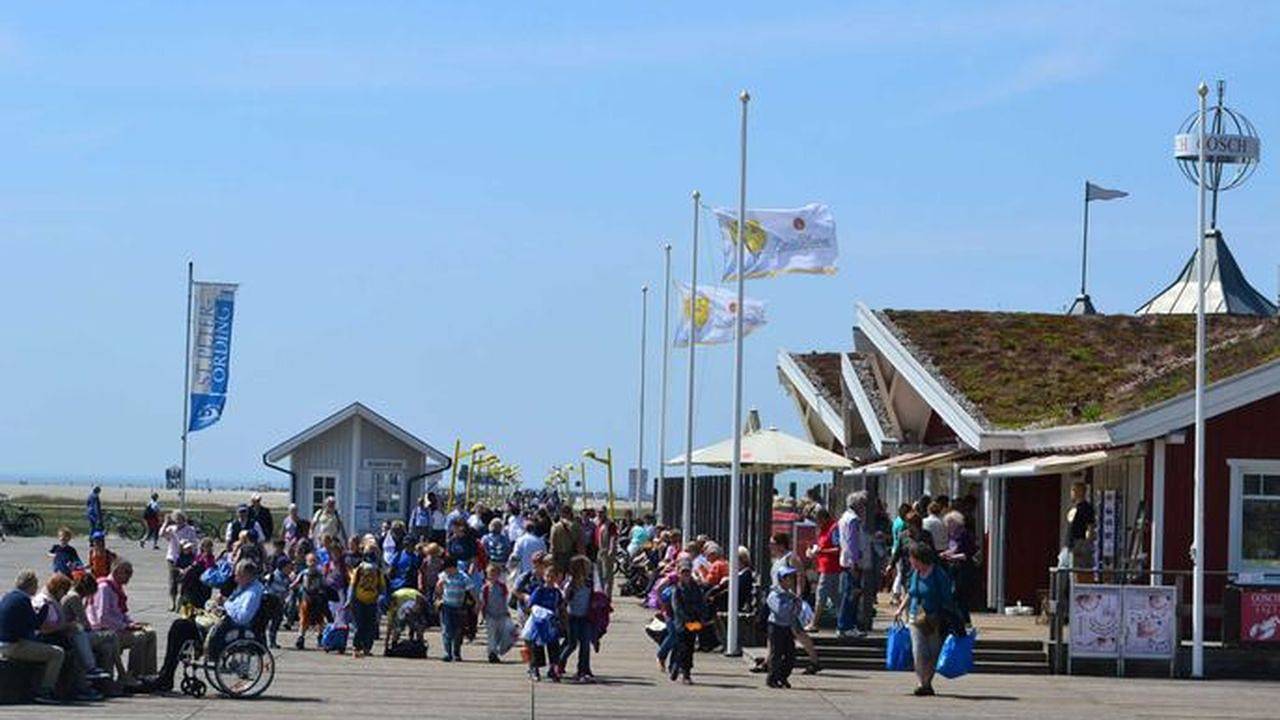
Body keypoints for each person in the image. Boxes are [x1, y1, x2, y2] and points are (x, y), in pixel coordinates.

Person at [153, 560, 265, 693]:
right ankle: (166, 673)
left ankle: (166, 675)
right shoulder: (247, 588)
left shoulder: (252, 593)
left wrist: (226, 604)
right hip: (221, 624)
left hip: (227, 630)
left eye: (237, 575)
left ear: (246, 575)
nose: (235, 578)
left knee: (179, 628)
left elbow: (242, 617)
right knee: (180, 625)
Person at [33, 573, 107, 700]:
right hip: (47, 638)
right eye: (64, 591)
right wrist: (67, 626)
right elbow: (43, 627)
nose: (65, 594)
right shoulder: (46, 602)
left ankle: (89, 681)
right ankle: (84, 681)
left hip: (55, 635)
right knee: (77, 643)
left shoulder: (51, 599)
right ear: (59, 589)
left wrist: (66, 626)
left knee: (81, 643)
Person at [895, 542, 955, 697]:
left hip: (935, 619)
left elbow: (947, 597)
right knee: (918, 650)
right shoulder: (915, 573)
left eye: (912, 558)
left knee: (933, 652)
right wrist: (900, 609)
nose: (910, 561)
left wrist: (949, 615)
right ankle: (922, 682)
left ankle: (927, 683)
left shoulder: (938, 574)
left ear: (920, 558)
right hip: (916, 617)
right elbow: (911, 593)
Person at [86, 561, 157, 684]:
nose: (130, 576)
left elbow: (121, 613)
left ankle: (148, 674)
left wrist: (131, 623)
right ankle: (133, 675)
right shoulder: (104, 588)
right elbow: (102, 618)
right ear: (116, 572)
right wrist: (125, 626)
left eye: (131, 573)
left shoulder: (116, 587)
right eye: (127, 573)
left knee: (150, 633)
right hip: (104, 630)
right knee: (139, 638)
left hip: (116, 627)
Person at [0, 569, 65, 704]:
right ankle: (45, 691)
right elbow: (35, 625)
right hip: (14, 646)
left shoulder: (8, 597)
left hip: (3, 644)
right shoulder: (24, 599)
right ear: (31, 585)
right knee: (57, 653)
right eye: (36, 585)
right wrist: (45, 608)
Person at [61, 572, 121, 685]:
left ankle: (107, 682)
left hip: (74, 633)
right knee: (112, 636)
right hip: (73, 636)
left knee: (107, 648)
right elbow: (85, 623)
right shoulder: (74, 597)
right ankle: (121, 672)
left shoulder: (71, 594)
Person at [558, 555, 595, 682]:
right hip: (572, 617)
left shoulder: (589, 583)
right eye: (587, 567)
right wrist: (563, 617)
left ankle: (583, 670)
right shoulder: (571, 585)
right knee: (572, 644)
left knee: (585, 644)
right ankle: (558, 664)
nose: (589, 570)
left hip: (585, 617)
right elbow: (564, 602)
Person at [836, 491, 867, 638]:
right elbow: (852, 542)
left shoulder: (844, 518)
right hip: (853, 563)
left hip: (845, 560)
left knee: (849, 593)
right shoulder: (853, 520)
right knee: (851, 595)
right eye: (863, 504)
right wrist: (854, 563)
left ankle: (848, 625)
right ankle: (845, 626)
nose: (864, 508)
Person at [805, 508, 841, 633]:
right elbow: (821, 544)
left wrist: (821, 551)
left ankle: (814, 623)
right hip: (824, 566)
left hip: (831, 568)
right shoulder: (822, 529)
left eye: (818, 520)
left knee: (821, 595)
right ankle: (844, 622)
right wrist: (812, 550)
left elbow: (838, 549)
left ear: (824, 518)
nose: (817, 523)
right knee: (835, 597)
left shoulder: (834, 528)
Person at [667, 559, 702, 685]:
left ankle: (686, 673)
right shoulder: (677, 589)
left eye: (688, 572)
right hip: (682, 623)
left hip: (694, 621)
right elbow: (676, 608)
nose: (686, 575)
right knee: (682, 647)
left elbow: (701, 602)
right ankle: (677, 665)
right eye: (683, 572)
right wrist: (685, 619)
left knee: (690, 648)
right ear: (679, 574)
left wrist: (701, 616)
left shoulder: (696, 587)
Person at [766, 566, 802, 689]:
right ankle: (773, 678)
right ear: (781, 580)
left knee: (790, 654)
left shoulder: (790, 595)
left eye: (791, 578)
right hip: (776, 626)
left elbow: (797, 611)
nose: (790, 581)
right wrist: (792, 604)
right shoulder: (774, 595)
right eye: (788, 578)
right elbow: (780, 611)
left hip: (787, 626)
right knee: (776, 653)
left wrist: (796, 604)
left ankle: (783, 676)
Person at [347, 544, 384, 658]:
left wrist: (381, 600)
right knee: (360, 625)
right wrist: (349, 600)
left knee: (369, 626)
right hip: (359, 600)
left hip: (371, 600)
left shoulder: (377, 570)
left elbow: (381, 586)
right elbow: (352, 585)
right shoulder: (360, 569)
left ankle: (366, 648)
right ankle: (357, 647)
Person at [159, 512, 200, 612]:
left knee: (185, 580)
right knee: (173, 580)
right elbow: (161, 534)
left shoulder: (190, 530)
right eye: (176, 519)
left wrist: (194, 555)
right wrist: (165, 522)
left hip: (186, 558)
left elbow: (195, 544)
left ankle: (181, 602)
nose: (178, 521)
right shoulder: (172, 529)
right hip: (173, 557)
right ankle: (172, 602)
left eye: (180, 519)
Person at [291, 553, 329, 650]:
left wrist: (323, 592)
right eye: (310, 561)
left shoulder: (320, 574)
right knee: (304, 618)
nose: (312, 563)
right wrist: (292, 586)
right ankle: (301, 637)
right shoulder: (304, 573)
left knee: (320, 619)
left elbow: (324, 585)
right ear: (307, 562)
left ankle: (320, 637)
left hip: (317, 598)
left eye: (314, 561)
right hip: (306, 598)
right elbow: (295, 583)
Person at [436, 557, 471, 662]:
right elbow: (438, 590)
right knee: (447, 630)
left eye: (447, 568)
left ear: (452, 567)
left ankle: (456, 653)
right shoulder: (443, 575)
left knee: (458, 631)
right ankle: (447, 653)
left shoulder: (463, 577)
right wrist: (439, 590)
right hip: (446, 605)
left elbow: (471, 589)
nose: (445, 571)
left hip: (459, 607)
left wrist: (477, 602)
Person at [479, 564, 513, 664]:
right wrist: (482, 614)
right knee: (491, 635)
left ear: (498, 575)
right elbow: (482, 602)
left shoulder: (502, 587)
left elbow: (505, 600)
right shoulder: (485, 588)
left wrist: (507, 612)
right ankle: (492, 653)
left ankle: (497, 650)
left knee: (500, 634)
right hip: (490, 615)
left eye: (495, 574)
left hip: (501, 614)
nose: (493, 576)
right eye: (490, 574)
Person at [1066, 482, 1096, 583]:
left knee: (1079, 572)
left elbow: (1090, 527)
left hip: (1080, 543)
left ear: (1080, 492)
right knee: (1070, 572)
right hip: (1070, 544)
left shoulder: (1087, 508)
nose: (1071, 493)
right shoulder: (1074, 508)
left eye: (1073, 490)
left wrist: (1085, 544)